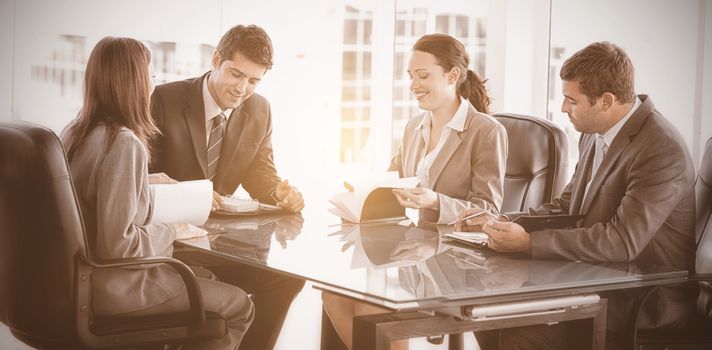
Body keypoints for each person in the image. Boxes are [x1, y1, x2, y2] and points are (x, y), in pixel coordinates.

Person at [457, 41, 697, 350]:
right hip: (595, 280)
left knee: (518, 336)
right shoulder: (594, 134)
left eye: (572, 100)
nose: (563, 109)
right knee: (488, 315)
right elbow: (568, 206)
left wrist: (529, 243)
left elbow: (623, 240)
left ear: (606, 101)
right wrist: (501, 219)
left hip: (643, 300)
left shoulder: (661, 148)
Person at [60, 36, 254, 350]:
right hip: (117, 289)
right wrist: (171, 231)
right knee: (239, 305)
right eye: (150, 76)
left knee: (205, 276)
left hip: (77, 285)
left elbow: (91, 199)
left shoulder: (76, 131)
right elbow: (117, 246)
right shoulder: (123, 143)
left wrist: (144, 184)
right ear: (134, 83)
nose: (153, 84)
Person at [322, 33, 508, 350]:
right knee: (333, 292)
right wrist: (363, 192)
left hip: (458, 267)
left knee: (371, 307)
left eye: (423, 75)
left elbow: (487, 211)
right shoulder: (414, 127)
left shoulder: (486, 131)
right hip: (414, 260)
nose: (413, 84)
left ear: (453, 76)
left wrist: (436, 201)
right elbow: (393, 177)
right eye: (410, 76)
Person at [148, 24, 305, 350]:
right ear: (216, 59)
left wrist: (279, 193)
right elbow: (143, 176)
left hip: (220, 243)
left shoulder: (259, 109)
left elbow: (260, 171)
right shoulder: (167, 99)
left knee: (286, 279)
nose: (242, 88)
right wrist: (190, 195)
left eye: (253, 80)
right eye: (236, 74)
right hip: (172, 244)